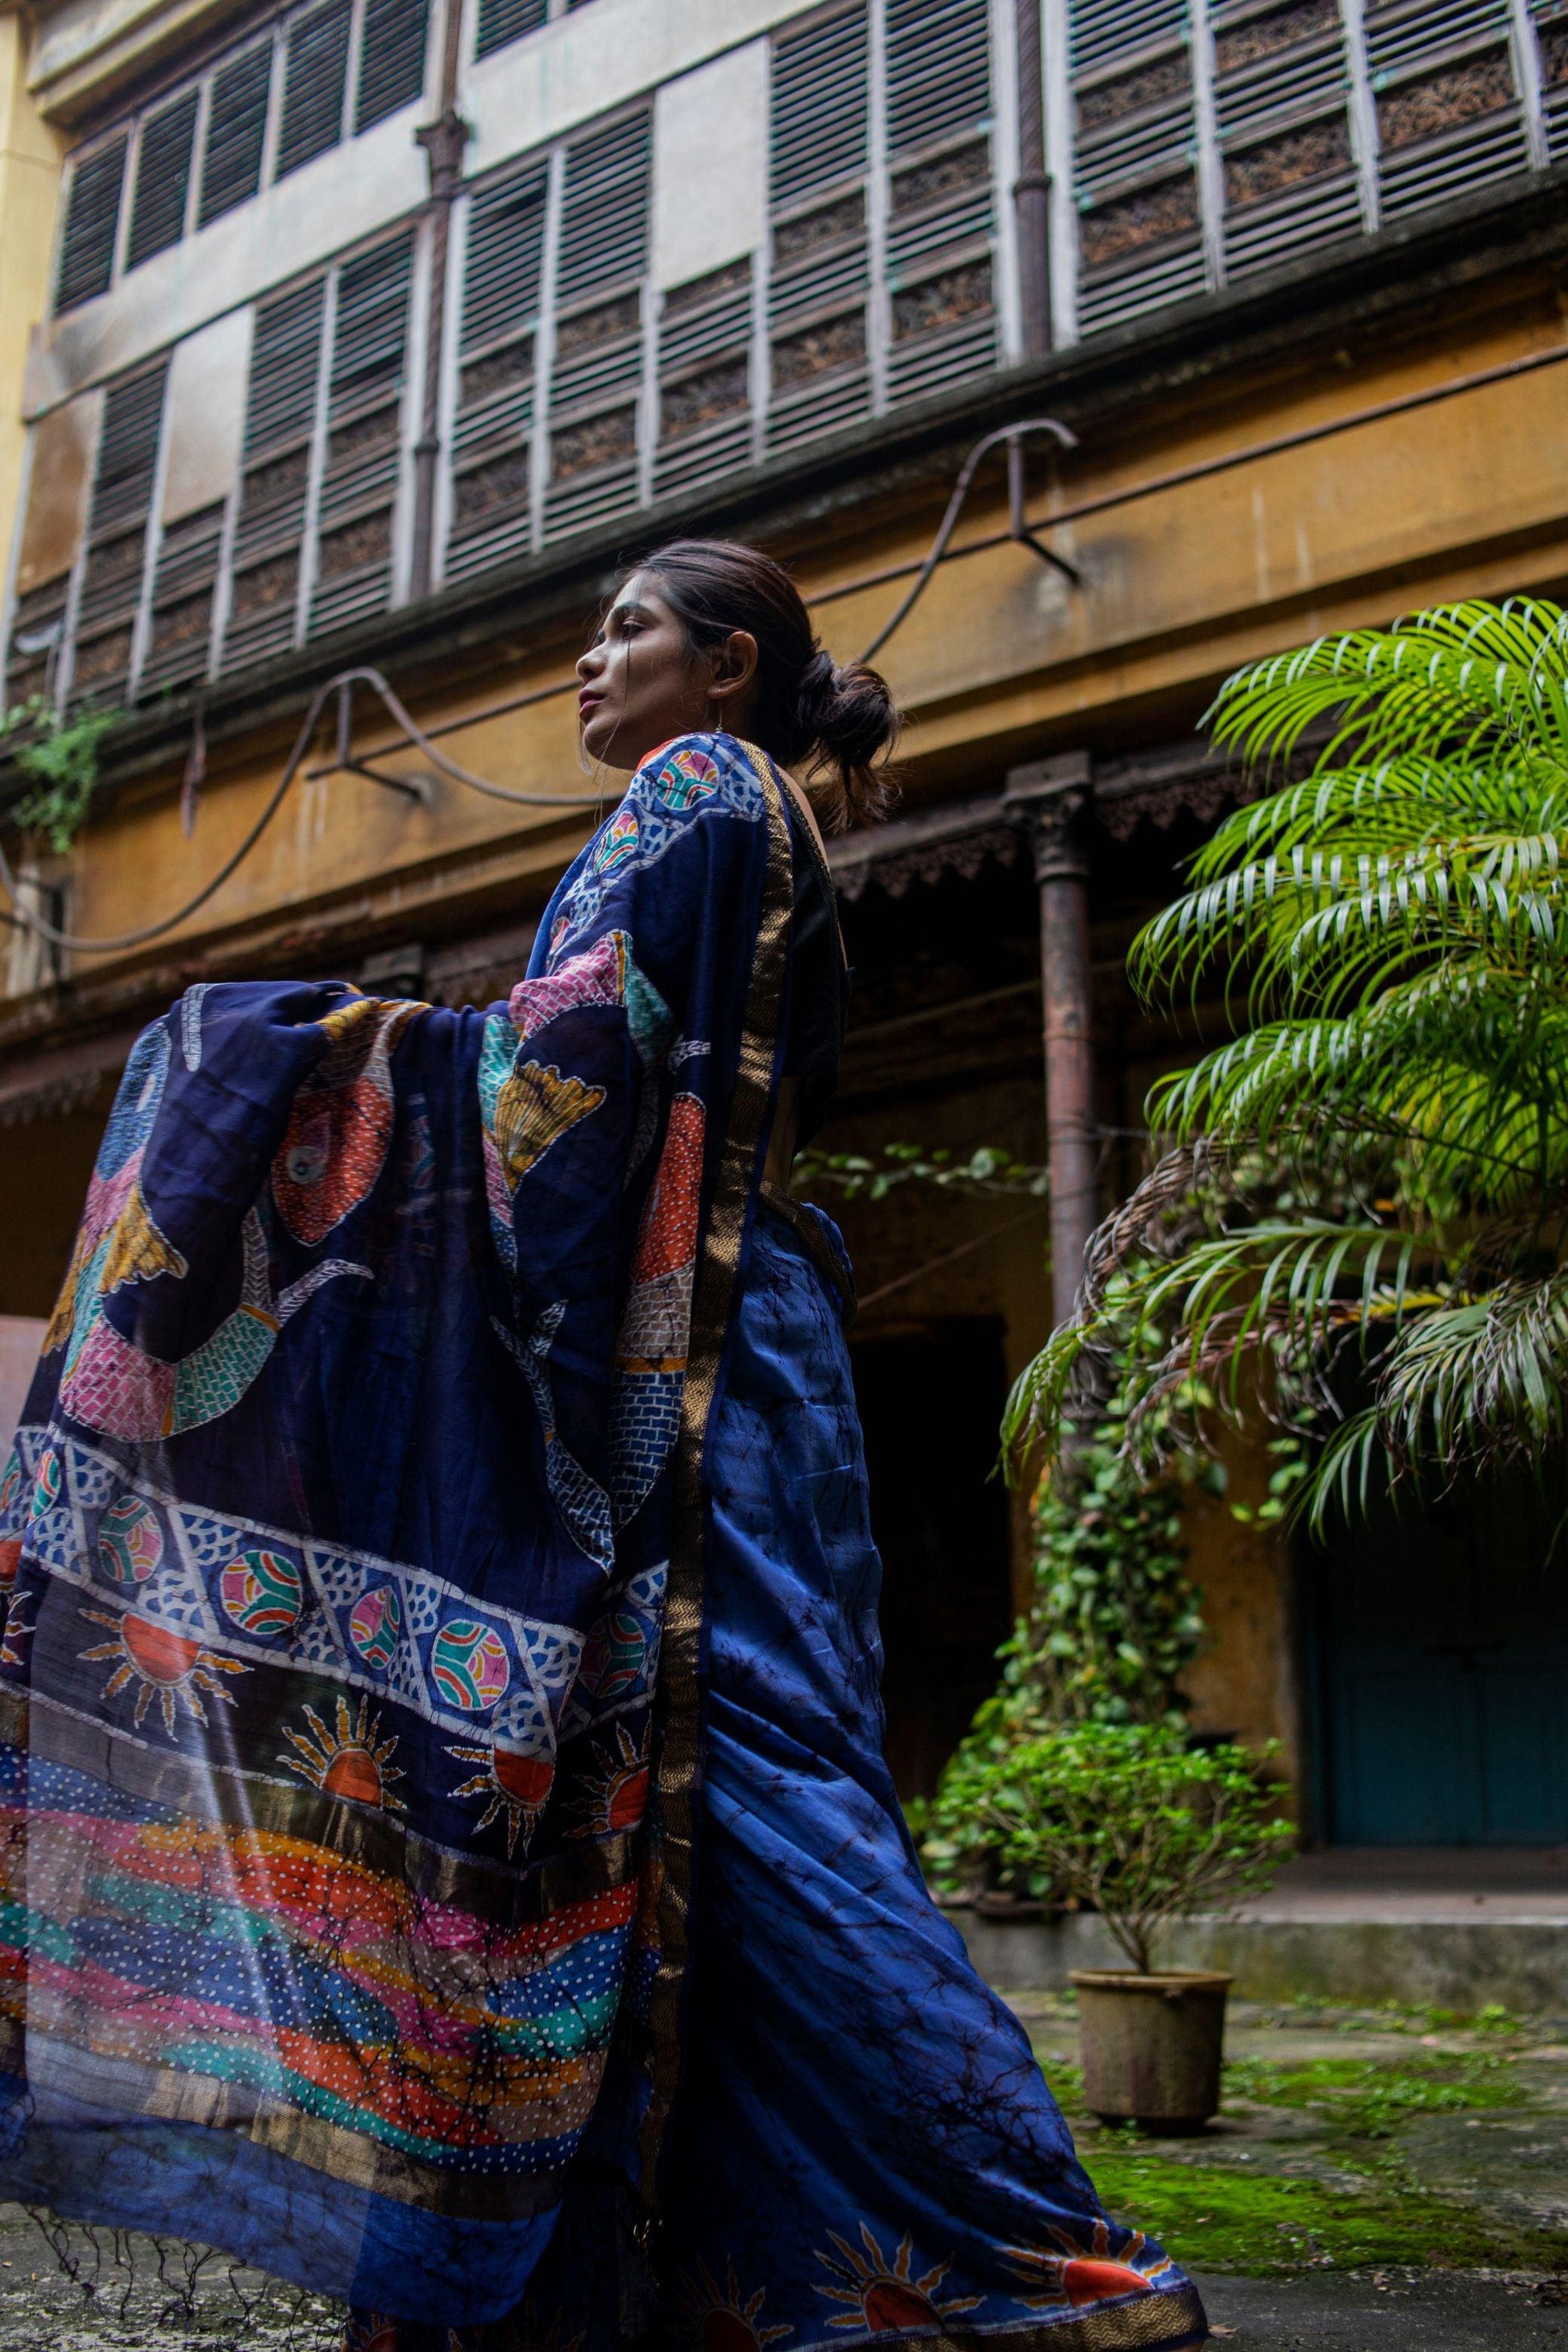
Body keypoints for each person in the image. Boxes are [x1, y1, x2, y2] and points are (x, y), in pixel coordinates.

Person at [0, 540, 1205, 2352]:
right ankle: (678, 2278)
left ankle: (1040, 2265)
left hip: (697, 1379)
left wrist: (314, 1051)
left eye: (627, 627)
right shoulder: (722, 806)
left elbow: (559, 1098)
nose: (588, 659)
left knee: (773, 1810)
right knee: (691, 1821)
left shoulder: (700, 792)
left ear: (729, 668)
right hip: (739, 1355)